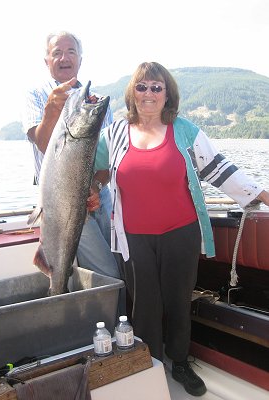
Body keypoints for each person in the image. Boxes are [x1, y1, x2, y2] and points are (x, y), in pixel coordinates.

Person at [95, 61, 269, 396]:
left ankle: (180, 362)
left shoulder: (186, 130)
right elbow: (93, 167)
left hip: (181, 232)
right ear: (132, 92)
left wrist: (261, 194)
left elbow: (219, 169)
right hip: (133, 237)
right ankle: (150, 364)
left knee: (177, 302)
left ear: (167, 94)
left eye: (156, 87)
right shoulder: (114, 132)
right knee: (143, 304)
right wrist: (87, 189)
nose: (149, 93)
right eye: (142, 86)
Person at [22, 31, 120, 279]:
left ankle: (113, 316)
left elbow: (111, 155)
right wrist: (51, 111)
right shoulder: (36, 95)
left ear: (80, 59)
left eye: (71, 52)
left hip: (100, 194)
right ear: (47, 61)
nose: (64, 58)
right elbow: (45, 146)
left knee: (120, 264)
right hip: (61, 201)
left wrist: (97, 186)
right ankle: (112, 316)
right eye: (57, 53)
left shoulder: (94, 102)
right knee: (107, 273)